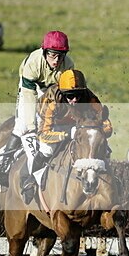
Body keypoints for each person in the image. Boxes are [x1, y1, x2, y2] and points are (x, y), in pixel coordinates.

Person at [0, 30, 74, 187]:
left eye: (60, 56)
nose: (56, 60)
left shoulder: (68, 64)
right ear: (44, 52)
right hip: (30, 88)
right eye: (52, 55)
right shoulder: (33, 63)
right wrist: (31, 125)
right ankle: (3, 165)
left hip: (51, 91)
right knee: (23, 125)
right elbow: (29, 97)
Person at [22, 68, 112, 204]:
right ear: (63, 93)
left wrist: (95, 131)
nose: (74, 100)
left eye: (78, 95)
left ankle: (111, 181)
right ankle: (31, 181)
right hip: (50, 124)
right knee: (47, 149)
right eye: (70, 95)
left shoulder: (90, 98)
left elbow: (107, 126)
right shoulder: (51, 101)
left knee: (104, 149)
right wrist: (67, 134)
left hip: (79, 125)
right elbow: (44, 134)